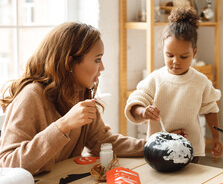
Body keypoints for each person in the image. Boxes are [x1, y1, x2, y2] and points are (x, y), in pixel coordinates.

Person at [0, 22, 145, 175]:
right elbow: (8, 164)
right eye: (97, 60)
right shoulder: (31, 96)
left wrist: (152, 146)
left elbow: (101, 141)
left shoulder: (79, 92)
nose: (102, 67)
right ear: (69, 62)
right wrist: (63, 125)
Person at [125, 7, 223, 161]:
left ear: (194, 52)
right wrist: (143, 111)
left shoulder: (200, 81)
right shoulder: (155, 79)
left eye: (184, 56)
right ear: (162, 50)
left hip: (191, 149)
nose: (175, 62)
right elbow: (135, 102)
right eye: (169, 55)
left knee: (189, 183)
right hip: (159, 148)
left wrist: (216, 137)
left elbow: (211, 109)